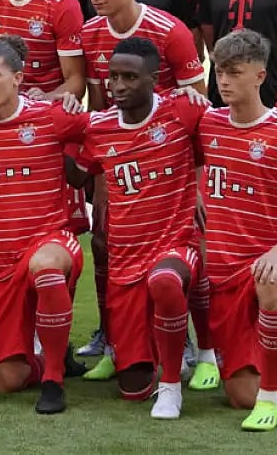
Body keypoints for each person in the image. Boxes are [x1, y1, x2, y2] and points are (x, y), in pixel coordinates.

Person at [77, 0, 208, 380]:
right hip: (116, 155)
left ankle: (189, 342)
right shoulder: (91, 33)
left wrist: (196, 181)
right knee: (103, 243)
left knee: (185, 252)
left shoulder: (169, 30)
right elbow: (99, 106)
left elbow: (198, 106)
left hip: (171, 165)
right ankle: (113, 339)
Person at [0, 35, 86, 414]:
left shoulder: (50, 116)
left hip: (49, 239)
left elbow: (106, 130)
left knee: (47, 269)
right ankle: (50, 361)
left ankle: (54, 380)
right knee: (7, 381)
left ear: (19, 78)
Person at [69, 37, 206, 419]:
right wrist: (54, 121)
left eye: (131, 76)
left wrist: (203, 191)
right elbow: (76, 175)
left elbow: (225, 138)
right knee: (132, 388)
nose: (119, 85)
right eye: (113, 77)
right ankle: (162, 353)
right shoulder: (97, 128)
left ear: (155, 78)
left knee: (165, 280)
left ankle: (173, 385)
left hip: (175, 244)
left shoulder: (182, 110)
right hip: (125, 261)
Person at [199, 29, 277, 431]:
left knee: (272, 280)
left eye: (234, 72)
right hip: (224, 273)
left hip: (265, 265)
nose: (224, 81)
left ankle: (271, 398)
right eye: (220, 72)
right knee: (238, 397)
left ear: (260, 76)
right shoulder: (208, 124)